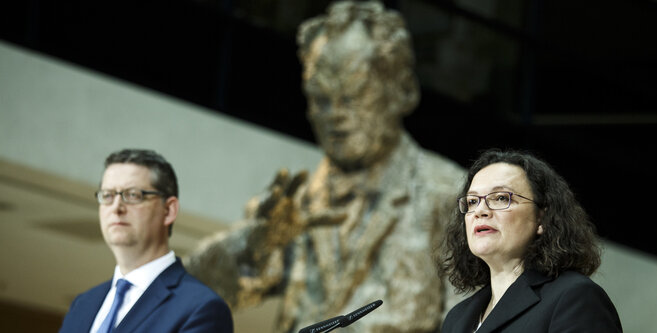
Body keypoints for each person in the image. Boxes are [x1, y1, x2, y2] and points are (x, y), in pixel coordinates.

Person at [185, 1, 465, 332]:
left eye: (353, 95)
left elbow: (474, 319)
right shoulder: (294, 204)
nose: (334, 114)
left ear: (402, 89)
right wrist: (253, 245)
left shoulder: (449, 193)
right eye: (320, 99)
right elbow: (188, 296)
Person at [438, 149, 622, 332]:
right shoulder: (457, 318)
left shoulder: (575, 297)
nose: (480, 211)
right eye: (472, 201)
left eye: (501, 198)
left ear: (542, 219)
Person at [59, 149, 233, 333]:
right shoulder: (83, 305)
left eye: (133, 195)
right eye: (108, 195)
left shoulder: (200, 308)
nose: (116, 207)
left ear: (168, 210)